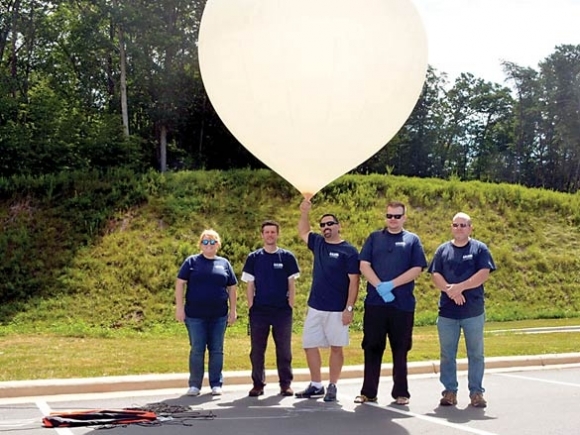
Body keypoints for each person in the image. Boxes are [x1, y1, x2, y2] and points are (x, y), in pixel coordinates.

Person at [355, 201, 427, 406]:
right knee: (372, 346)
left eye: (397, 216)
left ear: (404, 217)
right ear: (385, 217)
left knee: (401, 348)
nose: (392, 220)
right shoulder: (374, 238)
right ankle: (368, 392)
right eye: (389, 216)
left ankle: (401, 393)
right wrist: (379, 287)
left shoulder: (412, 240)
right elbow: (364, 264)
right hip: (376, 304)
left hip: (402, 306)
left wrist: (392, 285)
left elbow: (417, 268)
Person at [428, 212, 496, 408]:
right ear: (451, 227)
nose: (459, 228)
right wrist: (452, 291)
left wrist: (461, 287)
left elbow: (483, 273)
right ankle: (449, 391)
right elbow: (435, 275)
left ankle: (476, 393)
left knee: (476, 354)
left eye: (463, 225)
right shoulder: (442, 250)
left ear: (470, 227)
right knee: (447, 355)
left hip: (473, 312)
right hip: (447, 313)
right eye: (456, 225)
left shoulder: (479, 249)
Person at [295, 199, 360, 402]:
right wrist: (304, 212)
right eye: (323, 225)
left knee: (336, 347)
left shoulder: (348, 251)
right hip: (315, 306)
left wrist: (349, 308)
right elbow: (303, 232)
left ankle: (332, 385)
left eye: (330, 223)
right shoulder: (318, 243)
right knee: (309, 344)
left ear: (339, 226)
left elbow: (354, 282)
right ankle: (316, 385)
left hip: (337, 309)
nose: (326, 227)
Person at [175, 229, 238, 397]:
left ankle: (216, 383)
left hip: (219, 315)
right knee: (197, 349)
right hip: (195, 315)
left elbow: (232, 287)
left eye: (212, 242)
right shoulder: (191, 262)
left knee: (217, 349)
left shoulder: (224, 263)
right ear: (200, 244)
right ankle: (195, 384)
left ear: (218, 244)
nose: (208, 245)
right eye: (205, 242)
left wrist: (233, 310)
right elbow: (180, 283)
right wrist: (179, 308)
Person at [242, 220, 300, 397]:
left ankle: (285, 384)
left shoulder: (287, 257)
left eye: (273, 232)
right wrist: (251, 306)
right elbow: (250, 285)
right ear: (262, 235)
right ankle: (258, 384)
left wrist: (291, 305)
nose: (270, 235)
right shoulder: (254, 258)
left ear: (277, 234)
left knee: (284, 349)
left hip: (282, 311)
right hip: (259, 311)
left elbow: (291, 284)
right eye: (266, 232)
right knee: (257, 350)